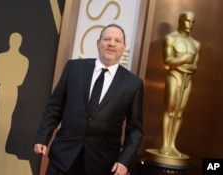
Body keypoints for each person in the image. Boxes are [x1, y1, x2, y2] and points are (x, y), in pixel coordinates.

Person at [34, 23, 144, 175]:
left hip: (102, 163)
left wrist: (125, 160)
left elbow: (135, 129)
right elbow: (55, 106)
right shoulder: (74, 68)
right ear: (98, 43)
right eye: (107, 39)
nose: (112, 43)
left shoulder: (133, 84)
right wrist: (42, 137)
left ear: (124, 47)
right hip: (63, 157)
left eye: (117, 41)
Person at [159, 11, 201, 157]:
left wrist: (185, 63)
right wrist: (184, 58)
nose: (190, 25)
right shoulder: (170, 39)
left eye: (193, 22)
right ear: (180, 20)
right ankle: (164, 145)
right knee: (170, 111)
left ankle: (172, 145)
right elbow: (167, 63)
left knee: (179, 113)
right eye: (188, 21)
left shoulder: (196, 44)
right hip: (174, 77)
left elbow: (195, 66)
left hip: (187, 80)